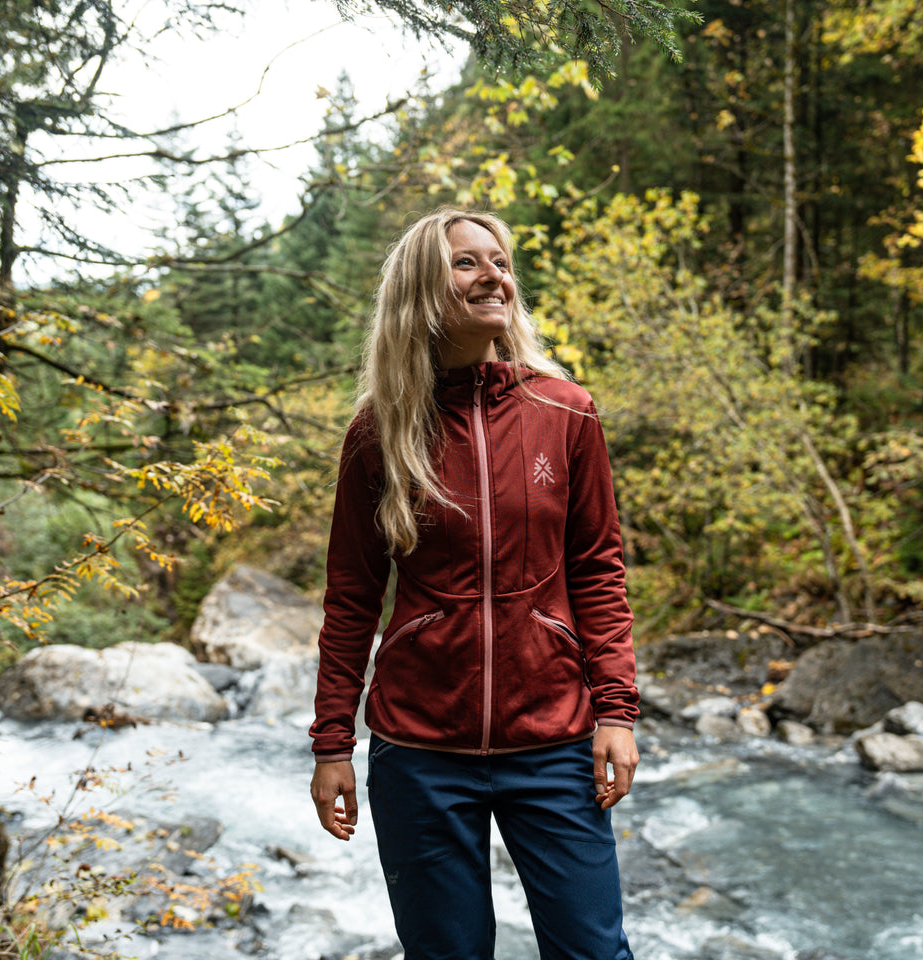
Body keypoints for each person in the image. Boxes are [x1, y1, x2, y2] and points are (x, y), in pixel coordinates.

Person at [308, 207, 640, 960]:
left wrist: (616, 710)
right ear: (422, 290)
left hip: (553, 739)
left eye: (501, 261)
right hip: (418, 750)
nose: (495, 275)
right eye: (468, 263)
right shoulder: (379, 431)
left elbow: (597, 569)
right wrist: (333, 742)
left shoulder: (567, 412)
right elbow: (352, 595)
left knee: (594, 953)